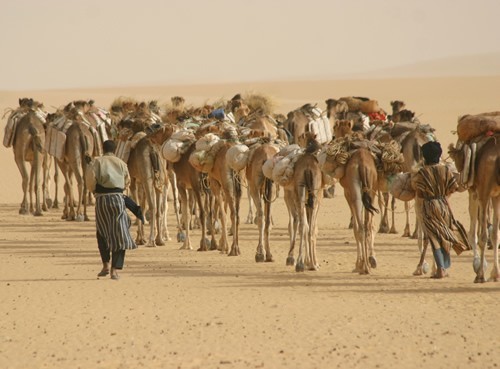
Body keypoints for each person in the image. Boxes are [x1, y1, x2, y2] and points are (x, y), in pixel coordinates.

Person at [411, 141, 470, 279]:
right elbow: (453, 187)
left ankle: (440, 269)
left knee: (434, 237)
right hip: (444, 205)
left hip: (429, 206)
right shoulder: (446, 170)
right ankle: (444, 267)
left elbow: (419, 193)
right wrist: (443, 196)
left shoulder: (422, 172)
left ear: (425, 157)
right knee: (444, 235)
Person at [85, 140, 137, 280]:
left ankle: (105, 265)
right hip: (118, 200)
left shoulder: (97, 162)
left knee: (102, 231)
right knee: (120, 233)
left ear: (103, 148)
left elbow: (90, 180)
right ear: (115, 150)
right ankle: (115, 270)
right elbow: (127, 181)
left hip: (102, 200)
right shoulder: (121, 163)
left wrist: (95, 192)